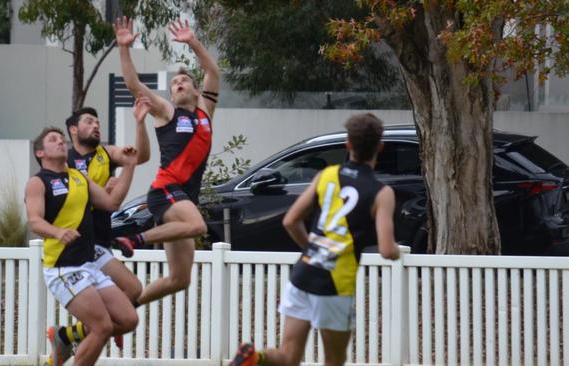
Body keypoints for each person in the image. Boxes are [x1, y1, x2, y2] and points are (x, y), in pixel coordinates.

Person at [230, 113, 401, 366]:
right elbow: (387, 250)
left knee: (288, 356)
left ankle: (255, 357)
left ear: (347, 145)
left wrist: (312, 249)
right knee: (334, 360)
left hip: (304, 273)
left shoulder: (327, 175)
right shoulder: (381, 193)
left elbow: (290, 220)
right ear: (380, 147)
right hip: (335, 285)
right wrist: (398, 251)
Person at [113, 16, 220, 306]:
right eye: (174, 83)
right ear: (170, 95)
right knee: (198, 226)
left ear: (197, 91)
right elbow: (134, 84)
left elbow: (212, 69)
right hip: (165, 190)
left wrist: (193, 42)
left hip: (184, 196)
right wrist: (124, 48)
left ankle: (125, 308)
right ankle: (136, 240)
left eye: (185, 80)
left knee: (179, 279)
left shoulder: (204, 112)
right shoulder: (167, 112)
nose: (179, 83)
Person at [25, 127, 139, 366]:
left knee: (128, 319)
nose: (60, 141)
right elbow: (34, 220)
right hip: (63, 268)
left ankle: (64, 338)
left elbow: (111, 202)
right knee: (102, 327)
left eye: (60, 138)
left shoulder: (79, 177)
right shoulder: (38, 182)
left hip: (88, 265)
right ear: (40, 153)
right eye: (53, 139)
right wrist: (57, 232)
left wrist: (129, 166)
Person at [64, 100, 151, 315]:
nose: (96, 126)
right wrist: (102, 190)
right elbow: (67, 203)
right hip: (79, 244)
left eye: (98, 123)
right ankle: (90, 331)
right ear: (73, 130)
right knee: (131, 290)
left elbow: (139, 157)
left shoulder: (106, 153)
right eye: (89, 121)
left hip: (100, 240)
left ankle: (73, 336)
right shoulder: (64, 161)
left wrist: (140, 123)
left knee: (123, 297)